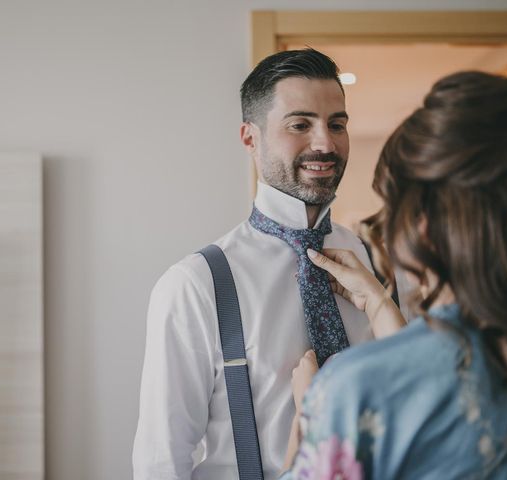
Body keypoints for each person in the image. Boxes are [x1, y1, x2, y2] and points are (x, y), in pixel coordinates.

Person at [133, 48, 395, 479]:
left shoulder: (377, 266)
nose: (325, 143)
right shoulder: (195, 285)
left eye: (337, 124)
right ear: (249, 137)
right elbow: (161, 462)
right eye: (300, 124)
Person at [280, 71, 507, 479]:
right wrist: (381, 306)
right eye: (300, 124)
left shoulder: (351, 390)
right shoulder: (197, 283)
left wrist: (308, 420)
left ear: (421, 224)